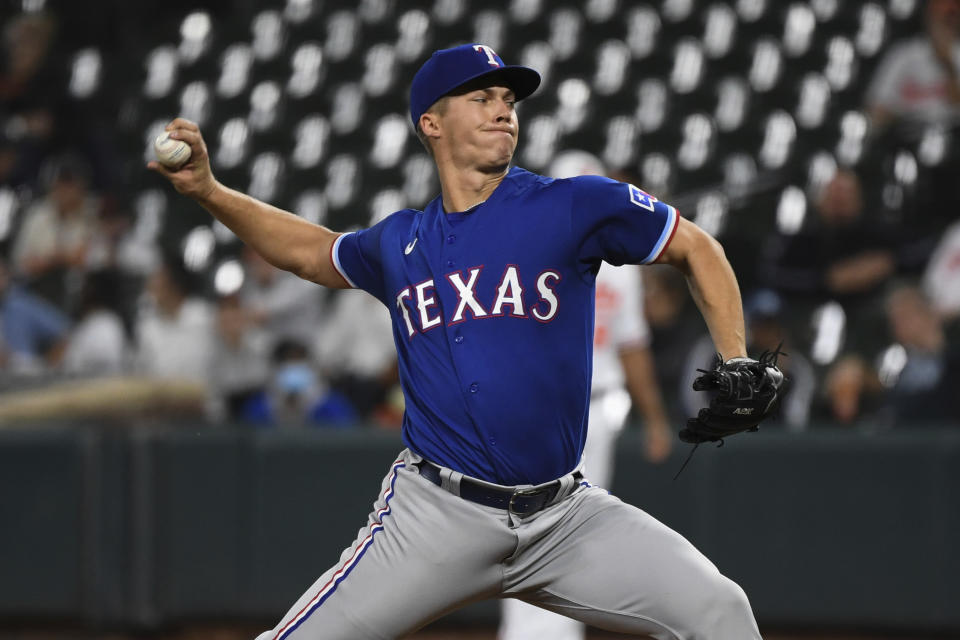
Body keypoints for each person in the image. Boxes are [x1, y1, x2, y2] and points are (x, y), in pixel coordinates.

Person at [150, 44, 766, 639]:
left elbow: (695, 247)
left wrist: (736, 356)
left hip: (564, 518)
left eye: (508, 99)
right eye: (481, 97)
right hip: (435, 516)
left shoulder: (571, 203)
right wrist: (209, 192)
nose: (503, 109)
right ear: (432, 123)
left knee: (719, 610)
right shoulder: (399, 243)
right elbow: (311, 253)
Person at [498, 151, 673, 640]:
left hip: (585, 410)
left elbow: (633, 348)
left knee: (557, 532)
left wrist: (656, 418)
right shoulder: (533, 255)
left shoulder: (545, 255)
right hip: (551, 410)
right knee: (541, 531)